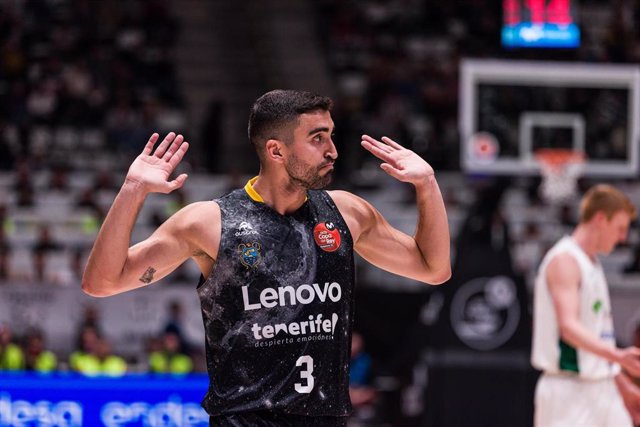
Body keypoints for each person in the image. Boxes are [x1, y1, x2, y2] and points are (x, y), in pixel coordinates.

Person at [82, 90, 451, 426]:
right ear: (276, 151)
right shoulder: (209, 222)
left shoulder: (347, 214)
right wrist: (133, 190)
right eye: (317, 137)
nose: (332, 151)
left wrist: (427, 184)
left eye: (331, 135)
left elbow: (433, 269)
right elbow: (102, 282)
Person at [531, 184, 640, 426]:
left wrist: (622, 384)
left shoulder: (592, 263)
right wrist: (619, 356)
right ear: (600, 219)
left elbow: (598, 341)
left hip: (602, 387)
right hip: (567, 391)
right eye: (619, 228)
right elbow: (568, 328)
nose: (623, 237)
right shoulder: (564, 261)